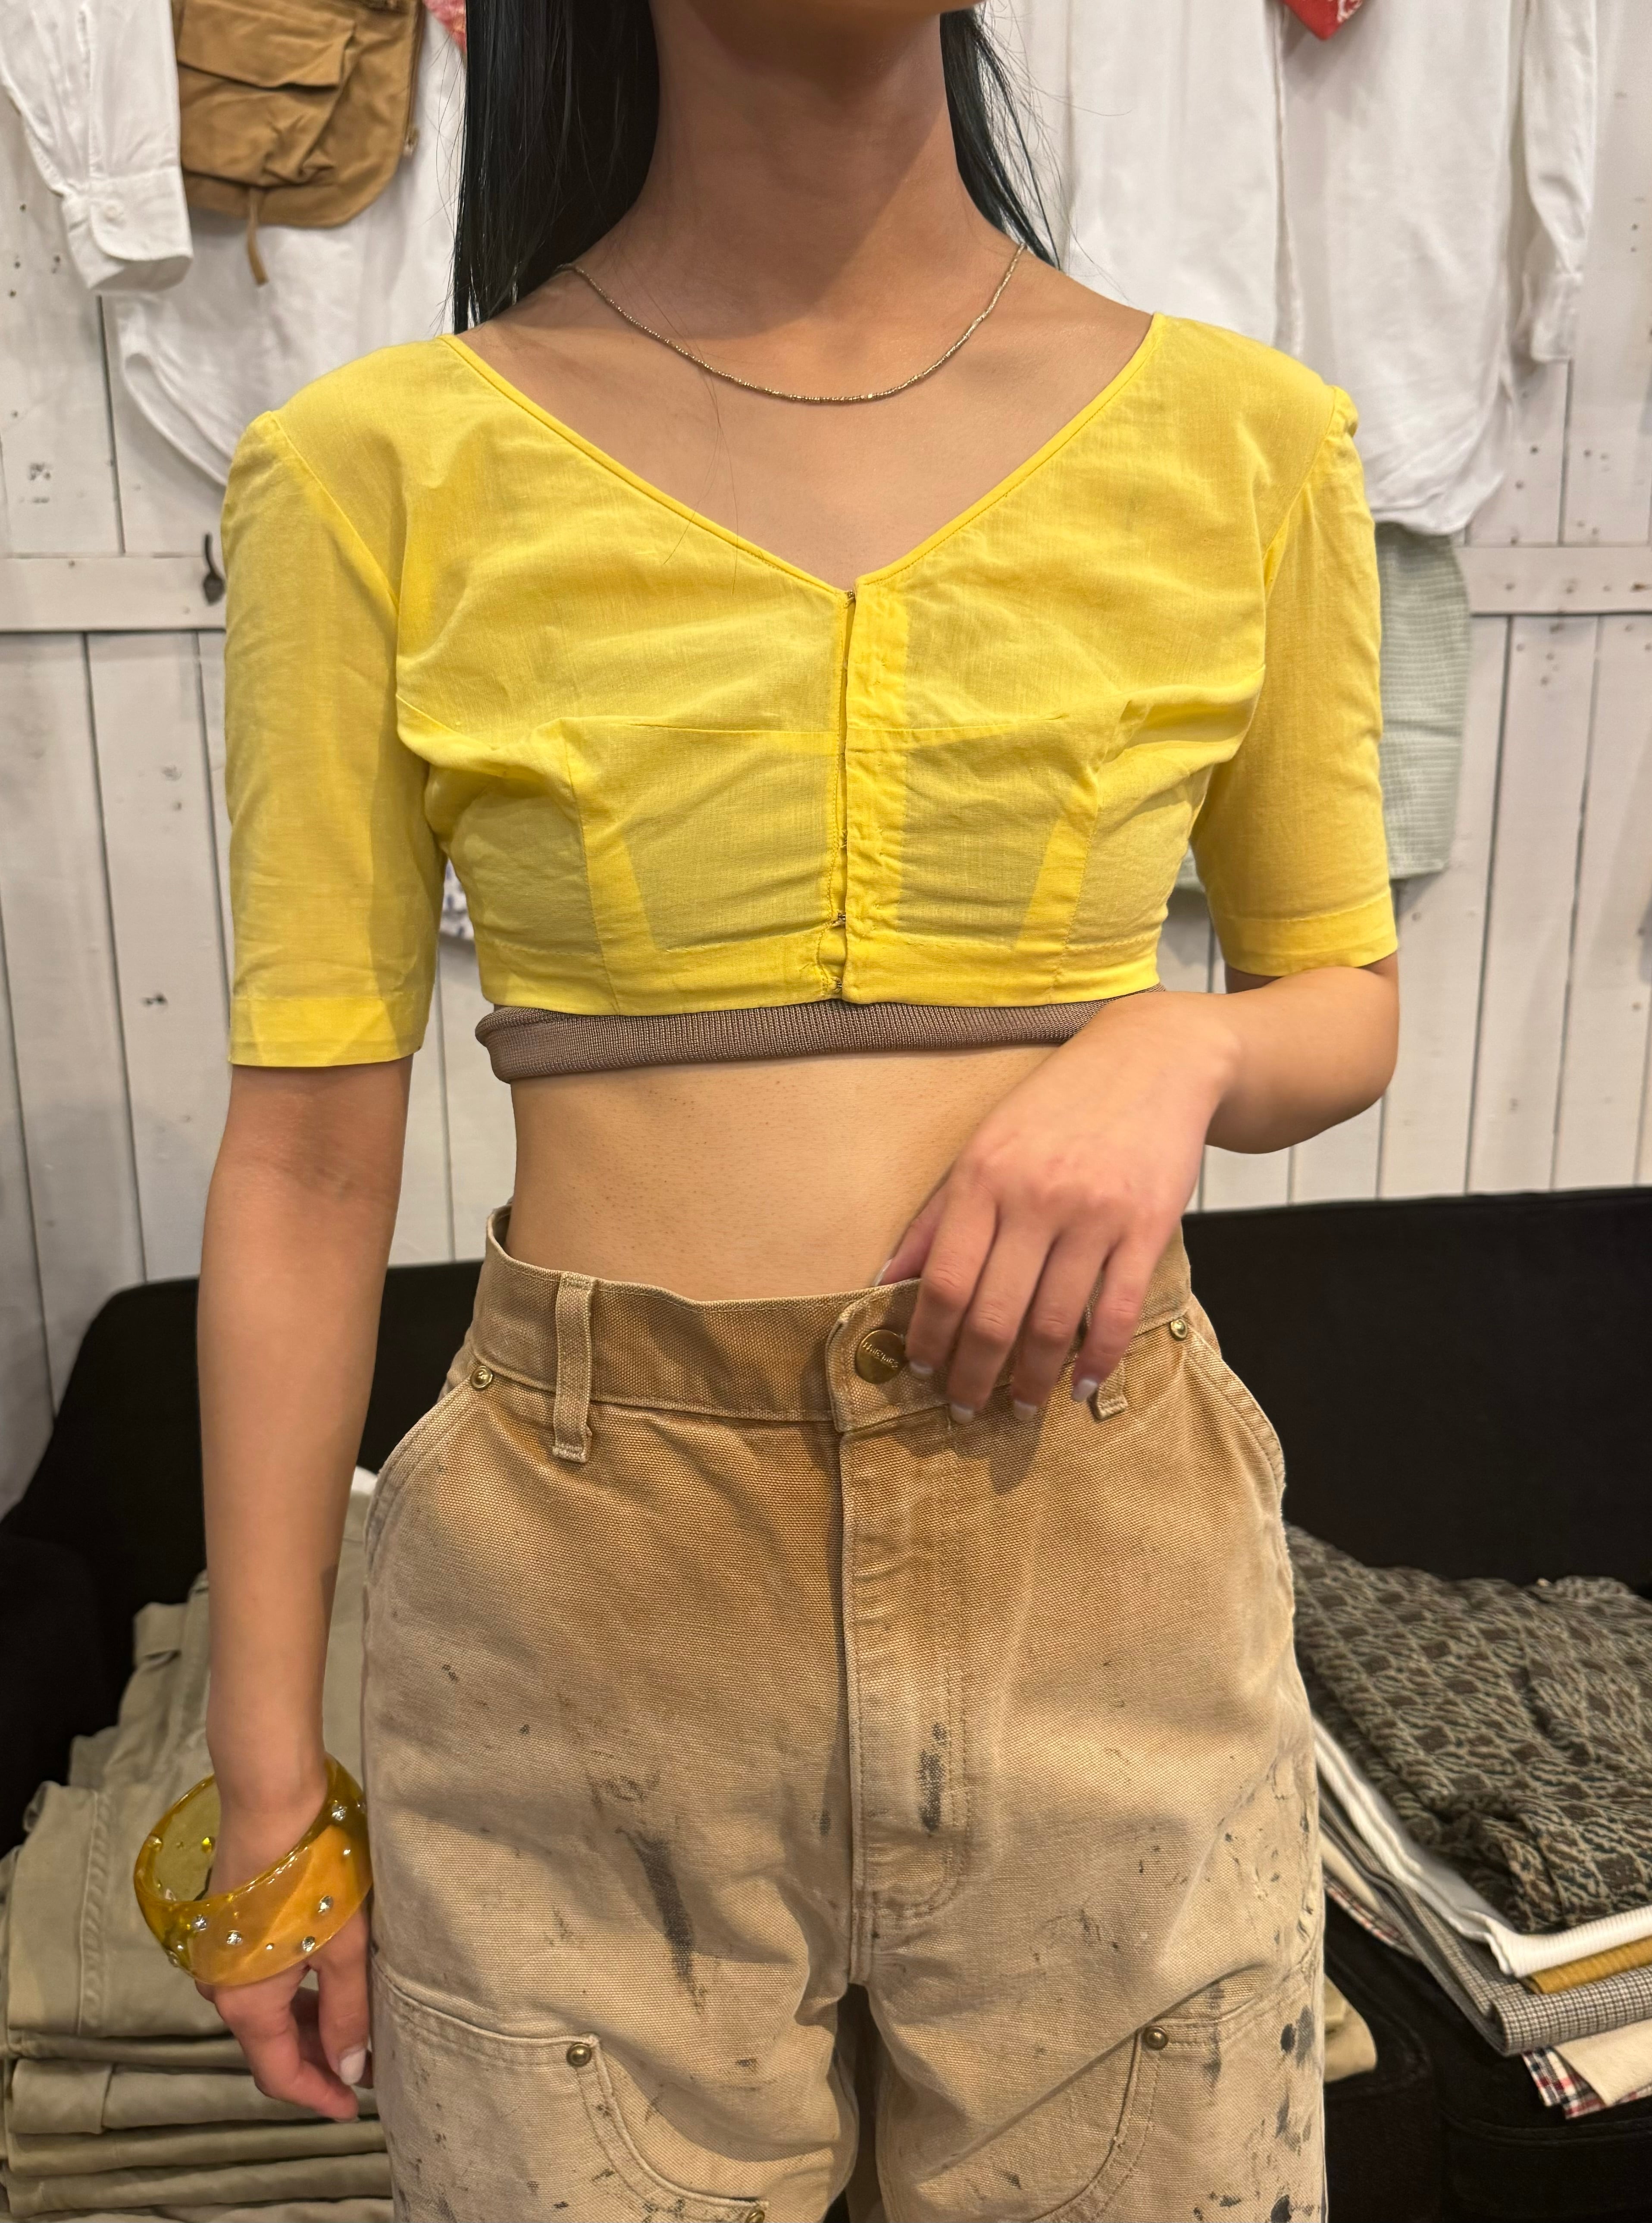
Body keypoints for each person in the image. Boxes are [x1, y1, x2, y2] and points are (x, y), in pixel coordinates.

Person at [187, 4, 1398, 2217]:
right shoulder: (370, 467)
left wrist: (1177, 1047)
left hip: (1103, 1562)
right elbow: (304, 1159)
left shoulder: (1252, 440)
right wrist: (265, 1782)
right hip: (582, 1605)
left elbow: (1344, 1000)